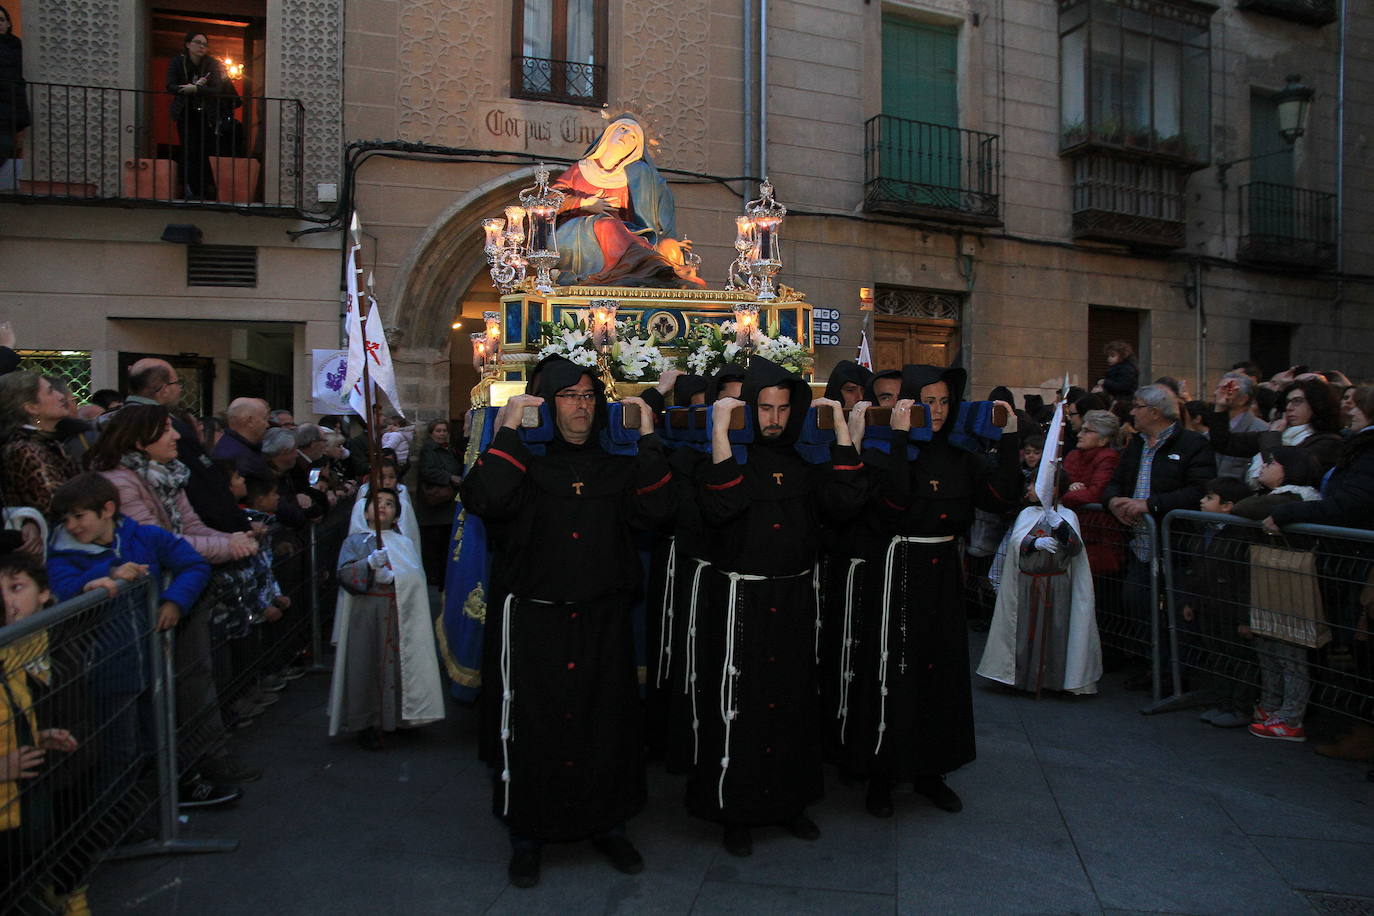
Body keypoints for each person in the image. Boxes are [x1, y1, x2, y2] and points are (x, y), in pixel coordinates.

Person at [459, 355, 670, 888]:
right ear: (546, 405)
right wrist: (506, 430)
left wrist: (647, 439)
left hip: (602, 621)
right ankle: (528, 835)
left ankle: (610, 826)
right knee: (537, 732)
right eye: (569, 397)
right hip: (536, 626)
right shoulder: (523, 465)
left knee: (607, 728)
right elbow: (484, 497)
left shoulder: (617, 467)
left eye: (588, 396)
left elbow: (658, 514)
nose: (581, 407)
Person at [686, 357, 866, 857]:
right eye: (764, 408)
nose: (774, 419)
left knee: (791, 705)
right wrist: (721, 434)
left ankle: (790, 803)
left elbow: (848, 503)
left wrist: (845, 434)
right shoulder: (727, 460)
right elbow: (722, 508)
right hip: (739, 601)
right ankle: (734, 811)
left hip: (792, 599)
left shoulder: (804, 466)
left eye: (784, 409)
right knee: (736, 708)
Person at [845, 365, 1021, 819]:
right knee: (891, 671)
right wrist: (901, 438)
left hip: (943, 575)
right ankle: (881, 774)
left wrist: (1010, 439)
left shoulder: (962, 454)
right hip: (898, 568)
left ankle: (931, 771)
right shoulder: (885, 450)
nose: (938, 411)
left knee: (939, 671)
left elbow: (1001, 499)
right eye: (928, 402)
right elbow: (893, 503)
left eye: (944, 401)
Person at [84, 405, 262, 789]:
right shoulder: (120, 483)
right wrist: (228, 547)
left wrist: (232, 539)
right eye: (166, 429)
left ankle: (204, 759)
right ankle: (176, 775)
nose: (177, 436)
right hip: (149, 598)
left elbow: (191, 525)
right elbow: (160, 542)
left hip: (181, 588)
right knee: (168, 686)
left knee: (194, 676)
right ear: (137, 440)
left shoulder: (169, 474)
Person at [45, 474, 237, 808]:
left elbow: (193, 565)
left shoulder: (145, 537)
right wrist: (105, 573)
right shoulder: (62, 555)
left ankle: (155, 803)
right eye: (66, 519)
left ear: (107, 509)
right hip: (101, 670)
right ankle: (113, 820)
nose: (72, 526)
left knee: (155, 736)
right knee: (118, 749)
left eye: (79, 516)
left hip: (149, 661)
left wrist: (175, 600)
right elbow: (62, 589)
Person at [1103, 384, 1215, 689]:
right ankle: (1152, 665)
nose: (1132, 412)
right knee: (1137, 602)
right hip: (1140, 543)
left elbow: (1199, 490)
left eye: (1137, 406)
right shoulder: (1135, 444)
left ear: (1154, 411)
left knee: (1177, 612)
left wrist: (1150, 504)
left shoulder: (1193, 444)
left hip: (1175, 544)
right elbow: (1115, 482)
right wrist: (1113, 501)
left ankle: (1177, 674)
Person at [328, 487, 444, 749]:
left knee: (399, 666)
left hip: (399, 615)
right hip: (367, 614)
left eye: (389, 503)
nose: (382, 506)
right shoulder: (355, 542)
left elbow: (415, 577)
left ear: (397, 514)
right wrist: (368, 566)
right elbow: (345, 575)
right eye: (376, 502)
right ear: (365, 510)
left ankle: (401, 717)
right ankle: (366, 722)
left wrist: (396, 577)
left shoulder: (403, 543)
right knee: (366, 665)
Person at [978, 472, 1100, 695]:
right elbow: (1016, 543)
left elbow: (1074, 548)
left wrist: (1060, 526)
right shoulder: (1027, 514)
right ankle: (1022, 678)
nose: (1029, 489)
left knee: (1056, 629)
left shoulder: (1067, 515)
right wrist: (1034, 542)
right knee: (1025, 630)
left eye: (1034, 484)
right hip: (1027, 583)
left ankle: (1052, 679)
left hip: (1056, 583)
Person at [1232, 448, 1323, 741]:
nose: (1263, 467)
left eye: (1271, 463)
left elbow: (1244, 508)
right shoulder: (1279, 498)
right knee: (1268, 644)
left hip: (1290, 583)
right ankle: (1271, 704)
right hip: (1270, 579)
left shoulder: (1296, 496)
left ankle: (1291, 715)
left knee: (1289, 650)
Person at [552, 115, 703, 288]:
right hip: (575, 233)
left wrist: (668, 240)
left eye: (633, 137)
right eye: (622, 129)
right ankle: (651, 265)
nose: (625, 135)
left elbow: (654, 210)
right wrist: (586, 204)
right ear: (609, 134)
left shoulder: (633, 177)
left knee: (664, 246)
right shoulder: (581, 169)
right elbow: (552, 200)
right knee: (607, 225)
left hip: (626, 234)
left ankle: (657, 267)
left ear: (634, 150)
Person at [1180, 477, 1257, 729]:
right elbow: (1195, 569)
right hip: (1207, 603)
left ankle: (1240, 706)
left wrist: (1245, 618)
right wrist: (1190, 601)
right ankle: (1224, 701)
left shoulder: (1239, 536)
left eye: (1210, 498)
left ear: (1227, 505)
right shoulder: (1205, 530)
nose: (1202, 501)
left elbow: (1246, 581)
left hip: (1230, 608)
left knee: (1238, 658)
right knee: (1217, 655)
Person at [1207, 378, 1344, 488]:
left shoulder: (1328, 442)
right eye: (1288, 402)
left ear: (1317, 404)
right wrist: (1221, 407)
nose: (1289, 408)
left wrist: (1273, 437)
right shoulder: (1280, 433)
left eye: (1297, 401)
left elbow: (1282, 473)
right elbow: (1224, 443)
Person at [165, 31, 238, 200]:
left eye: (204, 44)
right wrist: (190, 88)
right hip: (185, 113)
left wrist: (197, 89)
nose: (202, 47)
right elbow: (170, 85)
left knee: (205, 150)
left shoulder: (210, 63)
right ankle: (189, 188)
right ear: (188, 44)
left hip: (207, 115)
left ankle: (205, 189)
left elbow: (217, 89)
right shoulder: (178, 62)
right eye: (198, 43)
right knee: (189, 150)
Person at [0, 371, 79, 514]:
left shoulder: (44, 442)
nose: (61, 396)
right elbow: (59, 507)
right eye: (50, 392)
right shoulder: (26, 450)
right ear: (31, 407)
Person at [1062, 410, 1124, 575]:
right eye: (1081, 429)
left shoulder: (1109, 458)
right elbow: (1058, 484)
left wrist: (1064, 496)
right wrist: (1069, 490)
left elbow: (1095, 493)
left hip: (1097, 537)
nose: (1079, 434)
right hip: (1071, 530)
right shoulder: (1073, 455)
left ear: (1103, 439)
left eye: (1087, 431)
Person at [415, 419, 462, 586]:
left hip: (446, 507)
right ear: (431, 433)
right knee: (434, 547)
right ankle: (434, 579)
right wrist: (449, 477)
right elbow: (427, 471)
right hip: (435, 507)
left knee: (443, 546)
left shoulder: (449, 450)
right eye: (438, 431)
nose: (442, 434)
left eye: (444, 431)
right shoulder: (429, 451)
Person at [1208, 371, 1270, 480]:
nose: (1216, 393)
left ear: (1243, 399)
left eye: (1227, 390)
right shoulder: (1212, 423)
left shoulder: (1261, 429)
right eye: (1218, 389)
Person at [0, 4, 28, 191]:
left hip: (10, 108)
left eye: (1, 19)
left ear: (9, 23)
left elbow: (18, 76)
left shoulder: (16, 44)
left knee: (6, 147)